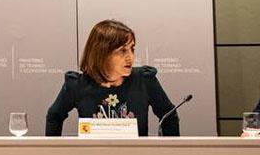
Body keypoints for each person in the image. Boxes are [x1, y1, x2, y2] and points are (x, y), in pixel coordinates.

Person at [46, 19, 180, 137]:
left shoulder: (144, 80)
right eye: (122, 50)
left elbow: (169, 116)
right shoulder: (77, 85)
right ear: (102, 53)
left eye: (132, 49)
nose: (130, 57)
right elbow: (54, 116)